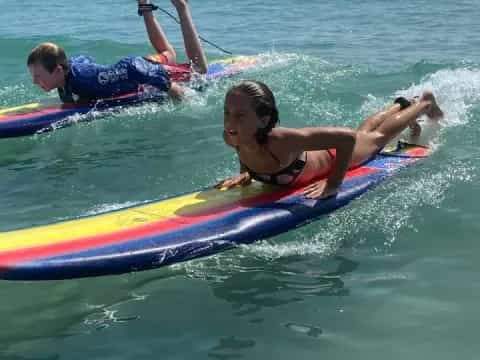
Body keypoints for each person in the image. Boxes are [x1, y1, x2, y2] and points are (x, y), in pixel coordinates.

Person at [217, 80, 443, 199]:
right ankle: (401, 105)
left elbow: (345, 139)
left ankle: (424, 103)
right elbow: (245, 150)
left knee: (376, 138)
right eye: (227, 112)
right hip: (330, 150)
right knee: (363, 133)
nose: (229, 122)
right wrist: (246, 173)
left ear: (264, 119)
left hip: (334, 156)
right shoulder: (232, 136)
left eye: (240, 116)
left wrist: (333, 183)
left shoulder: (283, 141)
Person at [26, 0, 207, 103]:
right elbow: (83, 58)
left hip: (145, 71)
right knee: (169, 55)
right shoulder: (66, 74)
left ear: (58, 70)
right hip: (144, 64)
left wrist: (170, 87)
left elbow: (132, 67)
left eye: (38, 76)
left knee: (199, 69)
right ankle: (145, 4)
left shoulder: (88, 79)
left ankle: (182, 7)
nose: (34, 81)